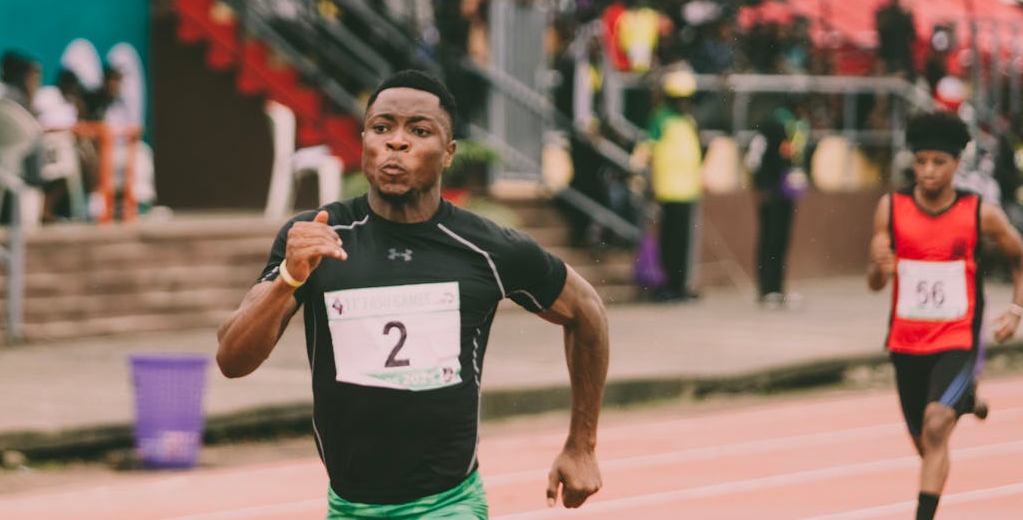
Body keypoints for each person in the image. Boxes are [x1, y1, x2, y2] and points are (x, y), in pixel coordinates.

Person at [216, 70, 608, 517]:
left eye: (419, 131)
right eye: (382, 128)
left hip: (448, 505)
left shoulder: (485, 248)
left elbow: (587, 310)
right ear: (364, 140)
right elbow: (232, 359)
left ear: (448, 153)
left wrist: (582, 445)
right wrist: (289, 277)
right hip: (349, 507)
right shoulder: (316, 236)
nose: (396, 142)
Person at [867, 111, 1023, 520]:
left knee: (937, 425)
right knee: (926, 444)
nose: (929, 171)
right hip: (905, 341)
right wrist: (877, 266)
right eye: (921, 162)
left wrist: (1017, 310)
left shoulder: (978, 213)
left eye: (939, 162)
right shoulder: (891, 208)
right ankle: (966, 398)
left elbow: (1019, 255)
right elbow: (875, 283)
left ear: (957, 164)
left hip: (958, 338)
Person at [641, 69, 703, 302]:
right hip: (667, 189)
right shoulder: (660, 118)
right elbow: (649, 149)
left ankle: (680, 285)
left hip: (688, 189)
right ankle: (666, 285)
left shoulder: (688, 121)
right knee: (669, 242)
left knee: (684, 243)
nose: (684, 103)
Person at [745, 107, 809, 308]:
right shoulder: (773, 124)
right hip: (770, 194)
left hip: (786, 193)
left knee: (782, 240)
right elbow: (754, 159)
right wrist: (761, 186)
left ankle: (778, 288)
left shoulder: (799, 126)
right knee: (770, 240)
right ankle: (767, 289)